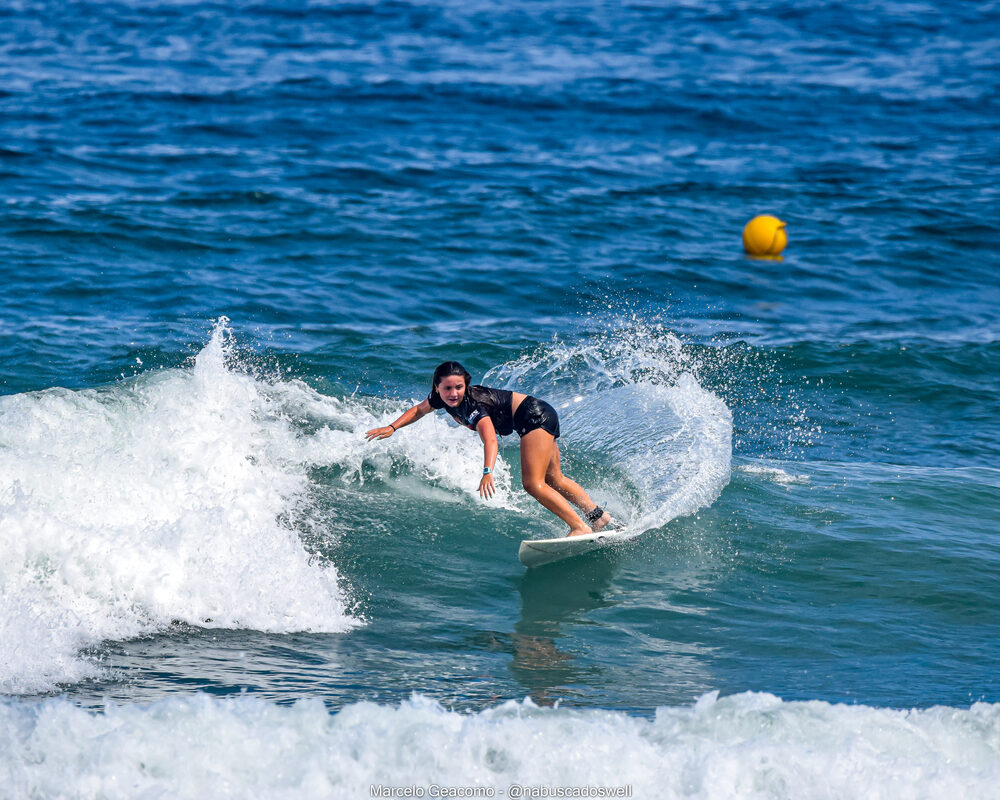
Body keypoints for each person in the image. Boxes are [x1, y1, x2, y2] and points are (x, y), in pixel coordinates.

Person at [365, 361, 613, 537]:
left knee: (533, 484)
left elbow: (490, 439)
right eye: (447, 388)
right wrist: (392, 427)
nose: (453, 393)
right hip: (541, 411)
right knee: (554, 478)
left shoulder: (474, 406)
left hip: (534, 417)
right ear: (437, 388)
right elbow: (419, 409)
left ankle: (579, 527)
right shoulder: (439, 398)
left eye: (459, 387)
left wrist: (487, 471)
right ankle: (598, 517)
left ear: (466, 385)